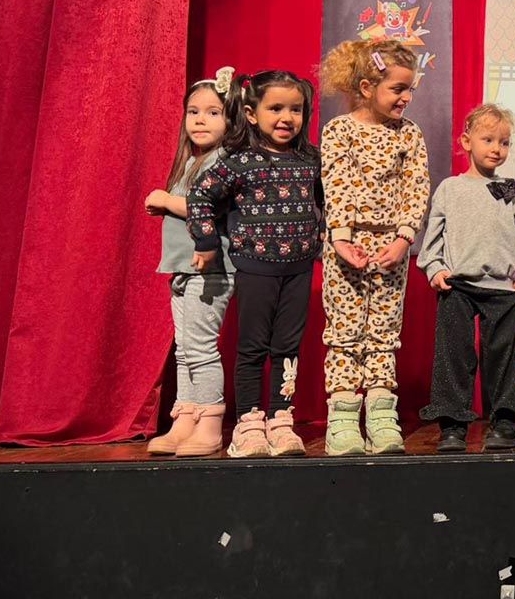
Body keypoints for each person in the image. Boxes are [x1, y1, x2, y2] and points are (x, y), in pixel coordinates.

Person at [188, 69, 322, 457]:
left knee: (288, 347)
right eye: (275, 108)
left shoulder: (310, 159)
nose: (287, 118)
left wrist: (327, 234)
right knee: (253, 348)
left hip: (299, 269)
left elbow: (328, 200)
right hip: (255, 269)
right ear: (251, 113)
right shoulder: (241, 162)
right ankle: (248, 424)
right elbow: (200, 196)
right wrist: (206, 241)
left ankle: (281, 420)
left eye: (295, 109)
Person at [317, 38, 430, 455]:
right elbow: (337, 185)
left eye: (410, 89)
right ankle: (343, 420)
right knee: (345, 331)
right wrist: (342, 239)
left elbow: (416, 187)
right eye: (398, 88)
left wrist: (403, 238)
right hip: (346, 247)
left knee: (383, 331)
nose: (406, 97)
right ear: (367, 87)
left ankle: (381, 417)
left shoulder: (409, 134)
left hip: (390, 249)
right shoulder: (339, 130)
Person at [418, 103, 515, 452]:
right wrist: (435, 268)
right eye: (488, 140)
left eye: (504, 142)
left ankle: (506, 419)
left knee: (504, 354)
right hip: (459, 285)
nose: (497, 149)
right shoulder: (450, 188)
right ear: (467, 142)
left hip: (503, 287)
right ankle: (453, 424)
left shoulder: (509, 190)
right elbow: (433, 235)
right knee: (454, 353)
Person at [145, 67, 237, 457]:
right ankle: (185, 418)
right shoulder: (191, 162)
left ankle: (210, 422)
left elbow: (208, 209)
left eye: (213, 112)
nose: (200, 120)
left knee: (200, 348)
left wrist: (167, 200)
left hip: (210, 271)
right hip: (184, 269)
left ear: (232, 119)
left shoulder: (224, 162)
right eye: (194, 112)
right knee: (184, 349)